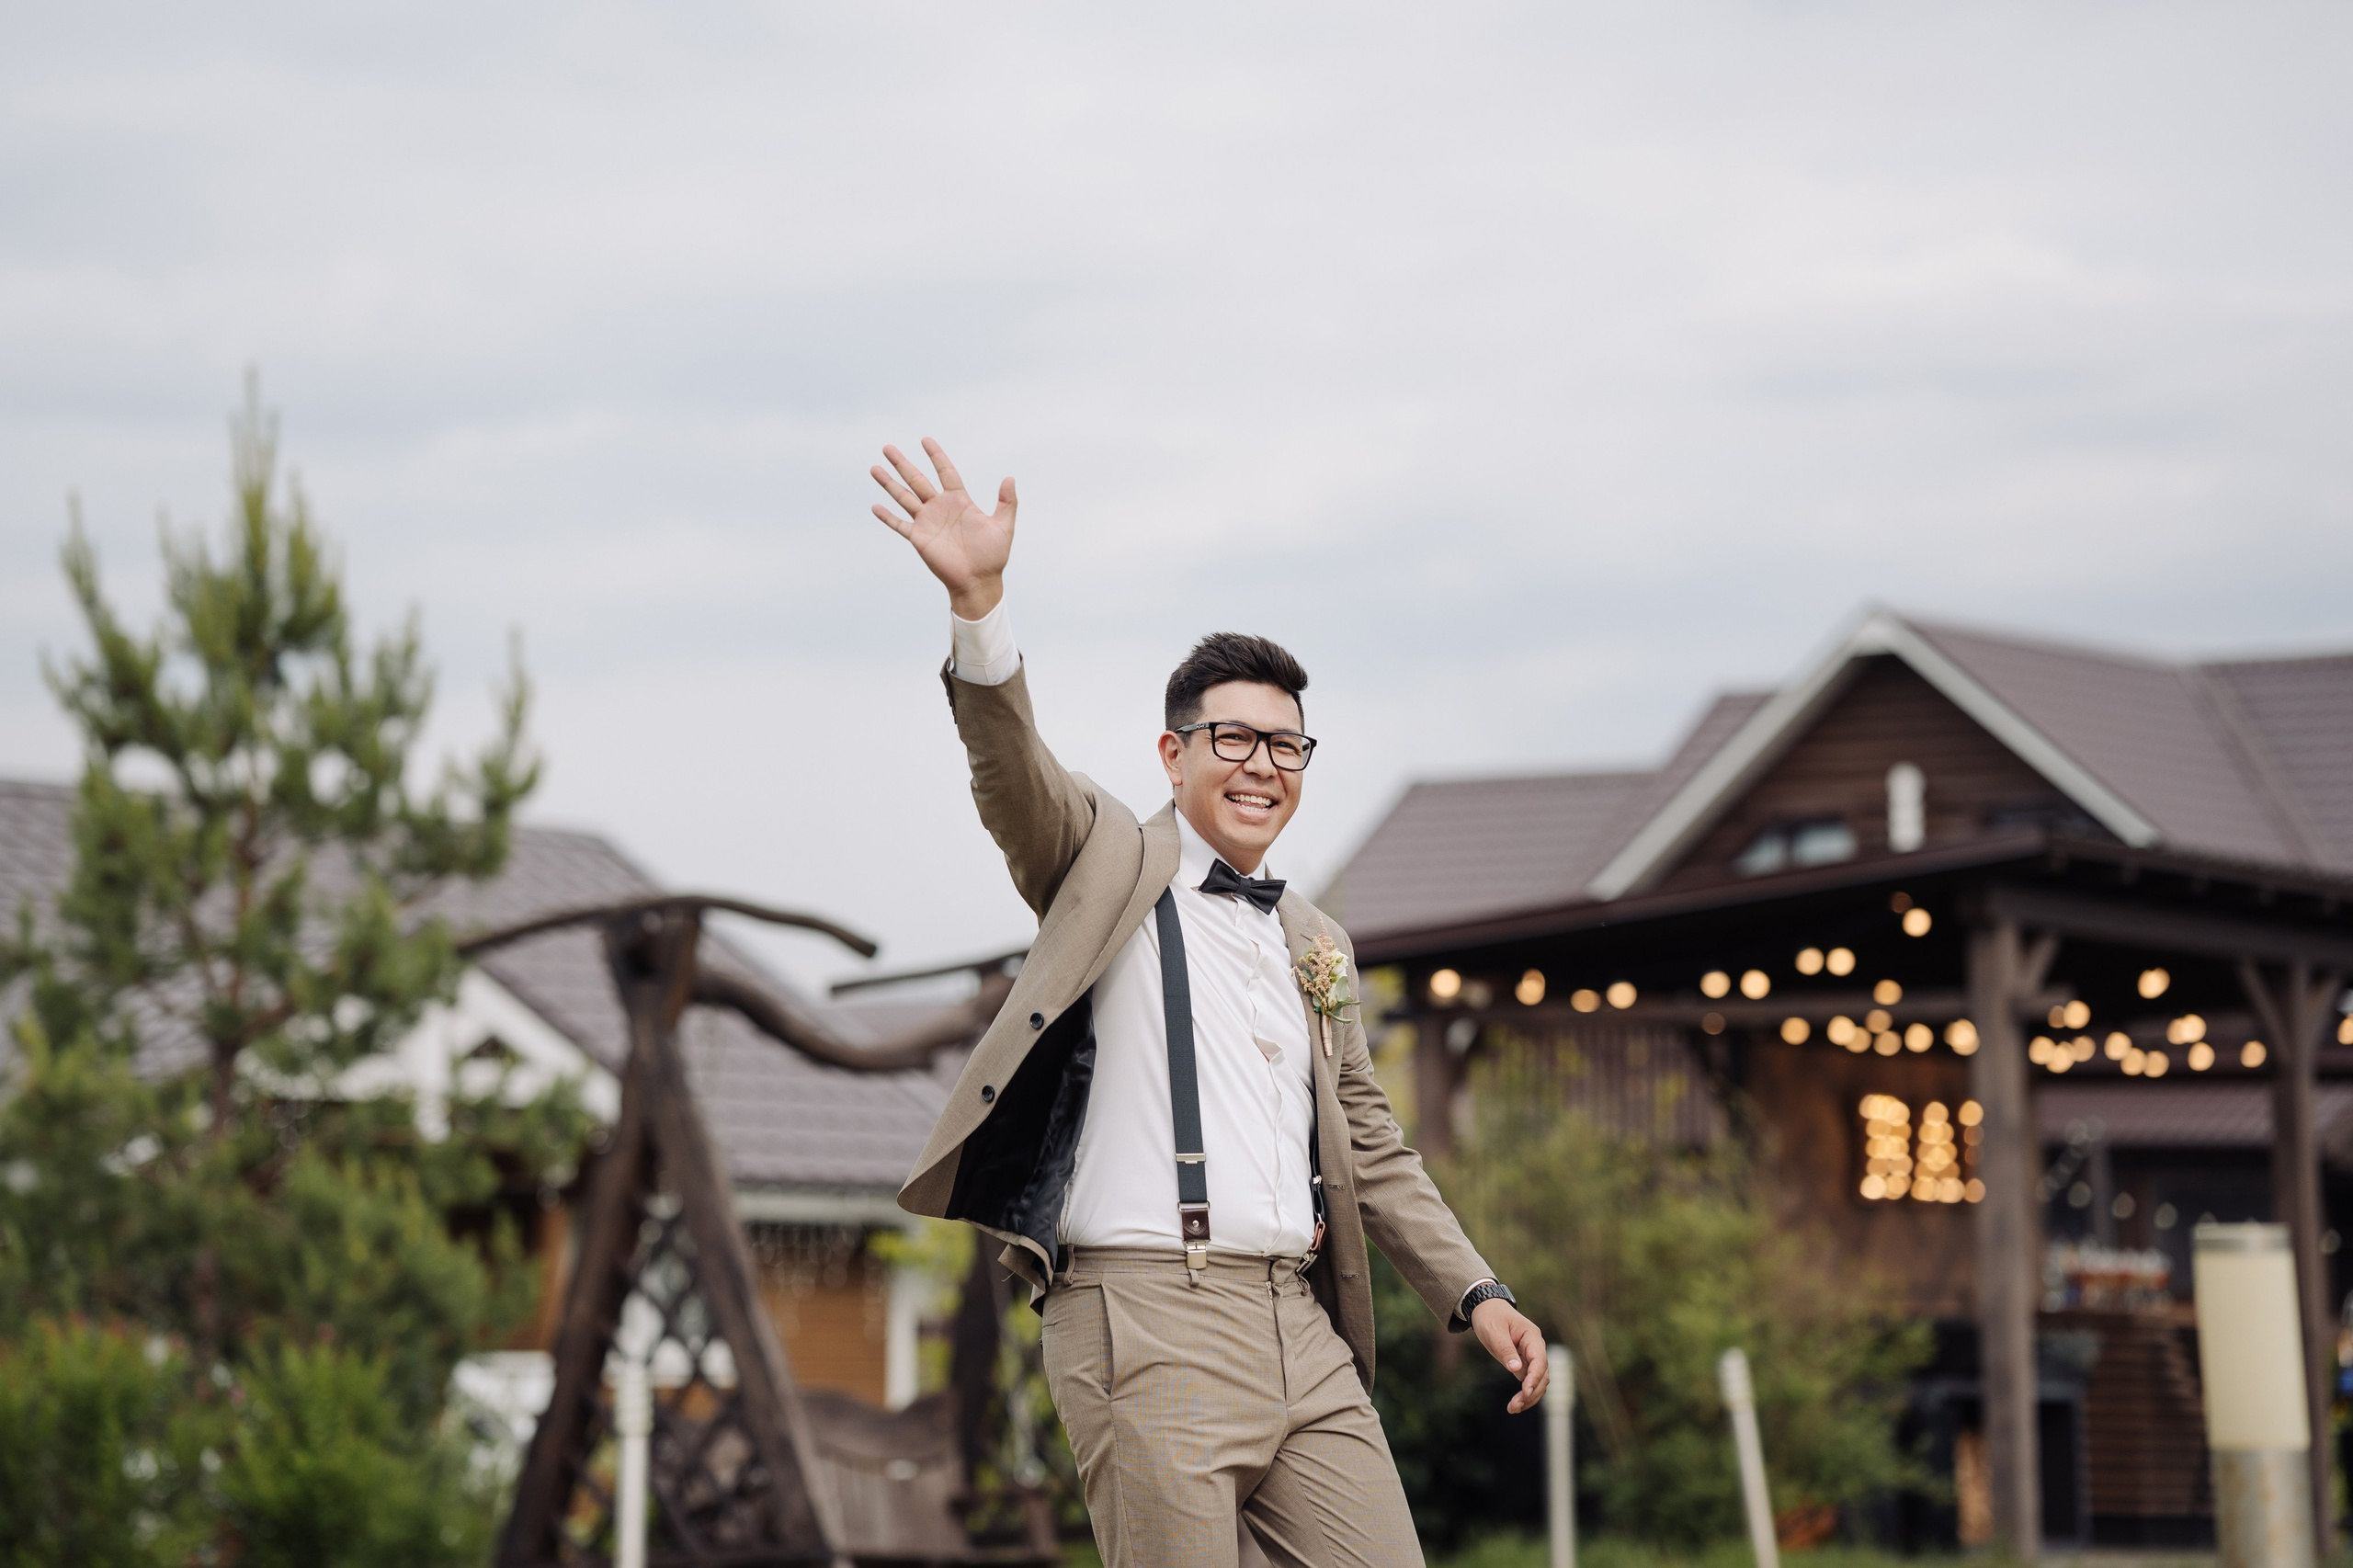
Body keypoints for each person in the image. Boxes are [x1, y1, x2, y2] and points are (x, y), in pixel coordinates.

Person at [871, 439, 1547, 1568]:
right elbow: (1013, 773)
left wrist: (1477, 1289)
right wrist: (979, 606)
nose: (1261, 764)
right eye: (1233, 737)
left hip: (1298, 1319)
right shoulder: (1103, 860)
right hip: (1145, 1308)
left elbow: (1371, 1146)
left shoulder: (1313, 938)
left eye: (1286, 743)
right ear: (1174, 752)